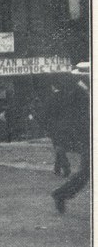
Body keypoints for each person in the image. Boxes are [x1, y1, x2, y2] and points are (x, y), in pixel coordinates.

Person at [51, 63, 90, 214]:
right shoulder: (77, 93)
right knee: (86, 172)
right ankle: (60, 194)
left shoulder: (82, 91)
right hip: (88, 137)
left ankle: (60, 194)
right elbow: (76, 119)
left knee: (86, 172)